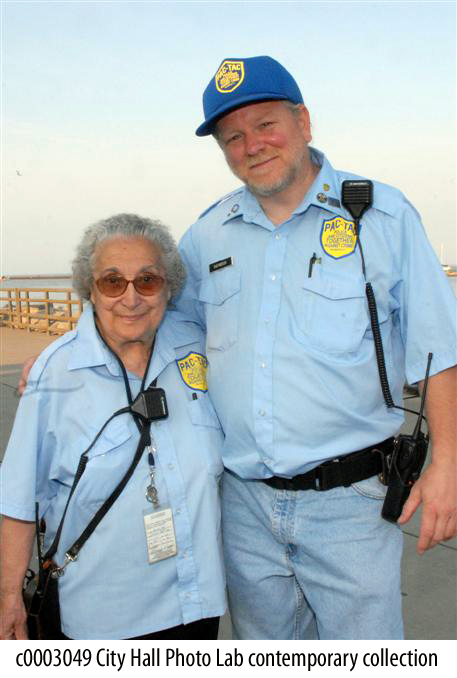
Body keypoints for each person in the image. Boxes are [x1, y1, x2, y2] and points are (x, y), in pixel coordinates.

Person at [175, 56, 457, 639]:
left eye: (266, 125)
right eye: (233, 137)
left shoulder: (383, 216)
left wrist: (448, 464)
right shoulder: (206, 234)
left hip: (351, 506)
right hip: (243, 507)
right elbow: (161, 327)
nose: (252, 146)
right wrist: (68, 355)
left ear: (303, 121)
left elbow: (439, 349)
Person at [0, 214, 226, 640]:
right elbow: (17, 497)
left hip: (195, 604)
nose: (131, 297)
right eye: (112, 282)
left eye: (147, 281)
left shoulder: (196, 348)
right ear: (90, 289)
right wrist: (9, 596)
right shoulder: (56, 372)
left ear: (169, 288)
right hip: (103, 618)